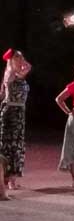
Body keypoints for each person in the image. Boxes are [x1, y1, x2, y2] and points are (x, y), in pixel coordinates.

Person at [0, 48, 32, 190]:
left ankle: (10, 179)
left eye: (22, 57)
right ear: (11, 60)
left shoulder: (17, 73)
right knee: (10, 146)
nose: (21, 60)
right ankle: (8, 179)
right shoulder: (11, 74)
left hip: (19, 112)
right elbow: (27, 68)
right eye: (17, 58)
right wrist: (14, 60)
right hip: (11, 112)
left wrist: (20, 59)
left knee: (16, 145)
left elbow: (28, 67)